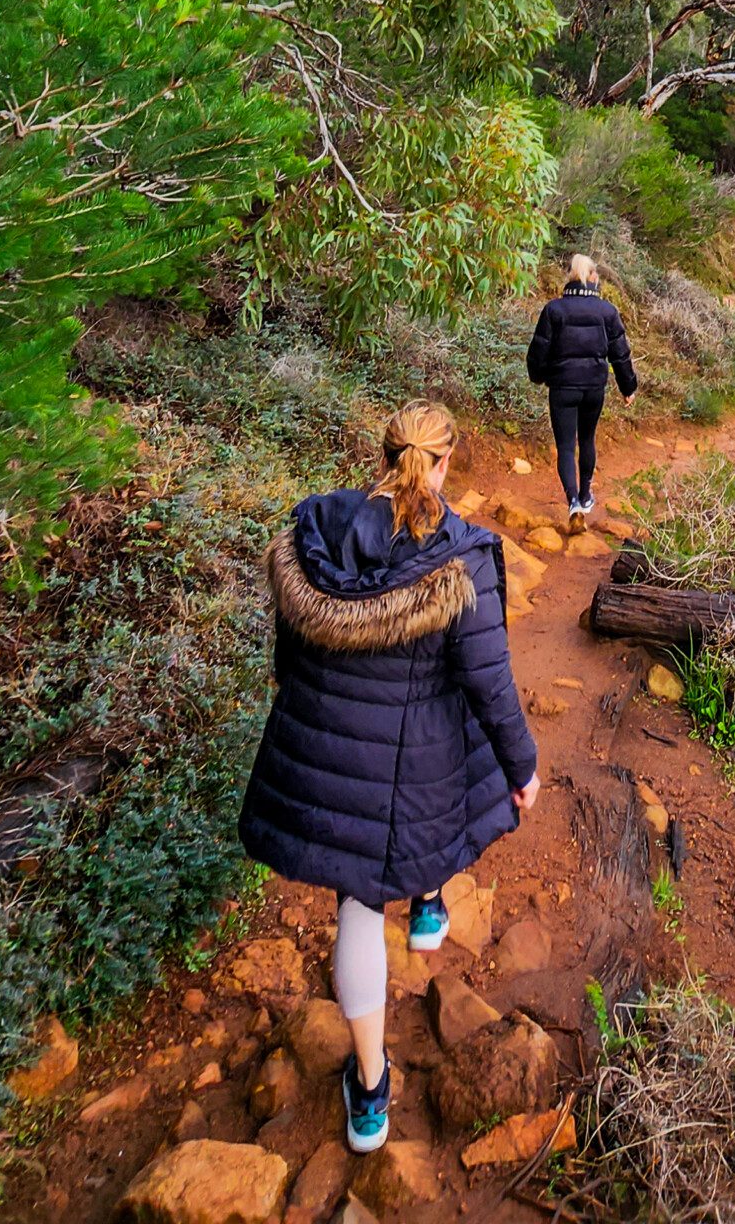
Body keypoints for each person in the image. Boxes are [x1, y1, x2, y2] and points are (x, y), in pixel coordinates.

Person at [235, 401, 540, 1154]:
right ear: (441, 465)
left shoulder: (315, 532)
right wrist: (523, 765)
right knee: (451, 742)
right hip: (419, 763)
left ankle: (369, 1091)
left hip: (334, 761)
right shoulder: (459, 556)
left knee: (358, 908)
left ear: (382, 456)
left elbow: (287, 653)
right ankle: (431, 905)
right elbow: (488, 683)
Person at [524, 253, 638, 532]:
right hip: (593, 388)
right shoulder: (607, 312)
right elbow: (620, 354)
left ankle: (573, 501)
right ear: (593, 278)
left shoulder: (554, 310)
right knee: (587, 439)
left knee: (565, 446)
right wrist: (628, 387)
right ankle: (586, 495)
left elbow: (538, 351)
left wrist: (538, 377)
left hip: (562, 388)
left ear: (570, 277)